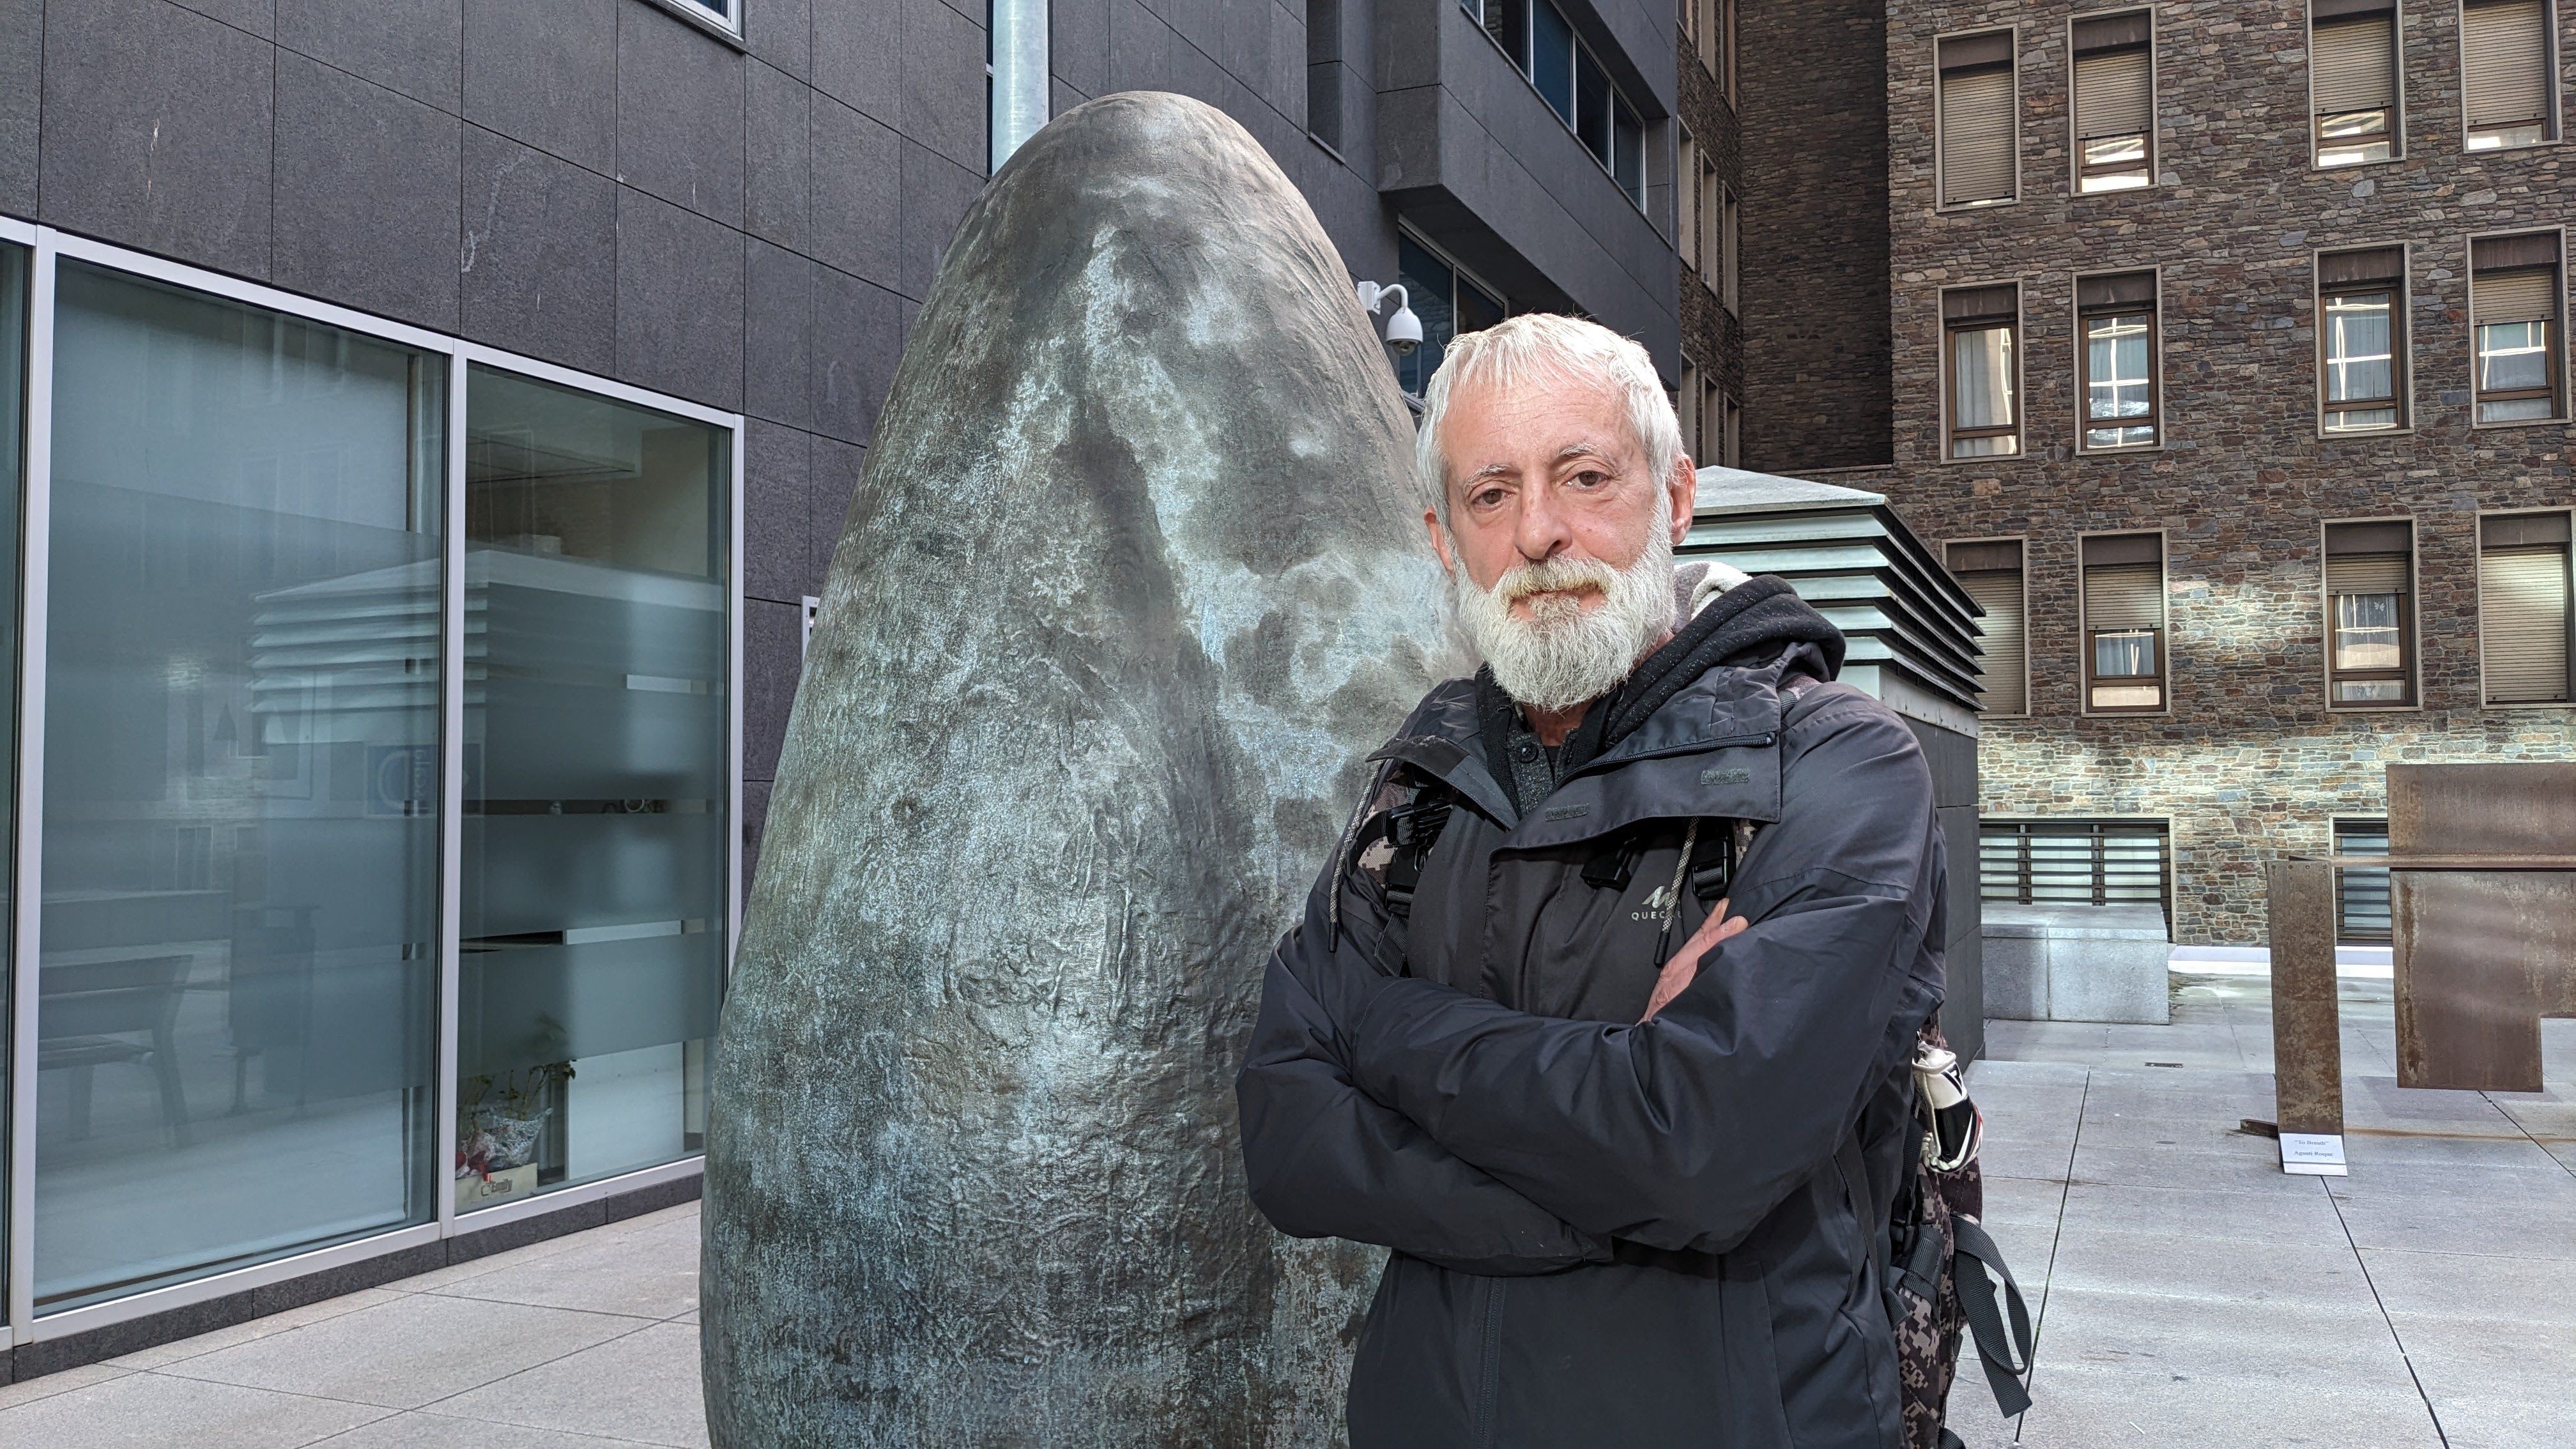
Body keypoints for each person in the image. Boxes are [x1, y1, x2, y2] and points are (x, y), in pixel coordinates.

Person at [1236, 313, 1948, 1446]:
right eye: (1491, 495)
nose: (1538, 534)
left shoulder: (1837, 765)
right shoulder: (1421, 784)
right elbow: (1287, 1138)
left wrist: (1379, 1025)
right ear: (1443, 539)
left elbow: (1699, 1152)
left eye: (1584, 477)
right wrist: (1617, 1171)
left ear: (1675, 497)